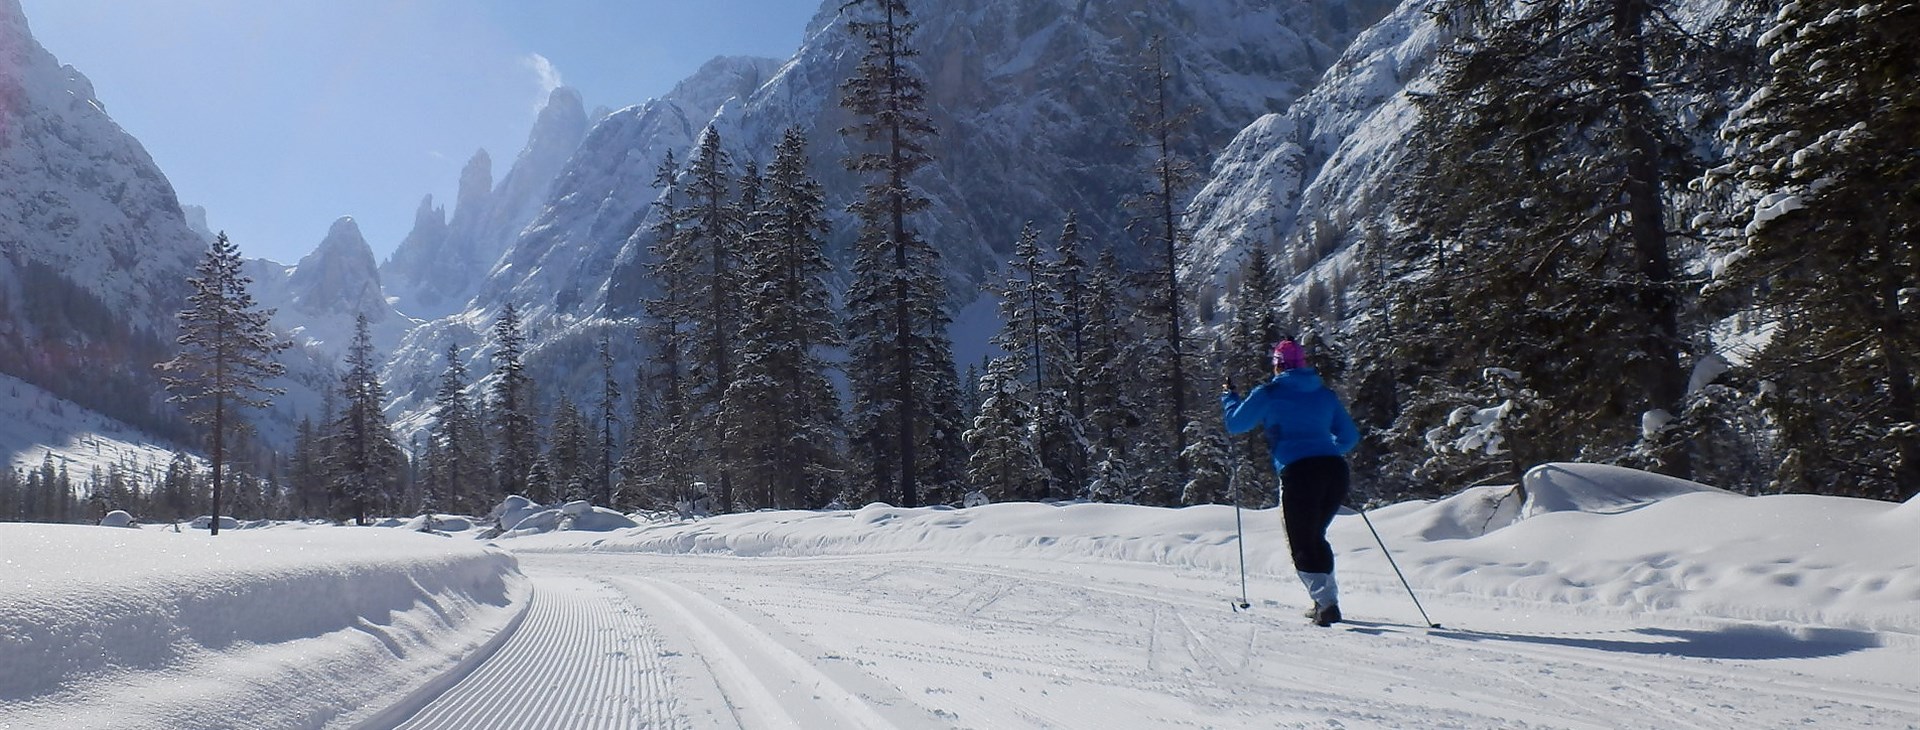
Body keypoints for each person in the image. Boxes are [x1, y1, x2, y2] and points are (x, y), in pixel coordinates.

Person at [1220, 338, 1361, 626]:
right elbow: (1349, 437)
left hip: (1299, 472)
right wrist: (1324, 448)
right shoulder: (1325, 394)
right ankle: (1325, 601)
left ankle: (1325, 604)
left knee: (1301, 540)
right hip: (1334, 470)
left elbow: (1236, 424)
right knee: (1314, 537)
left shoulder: (1270, 392)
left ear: (1278, 365)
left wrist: (1229, 397)